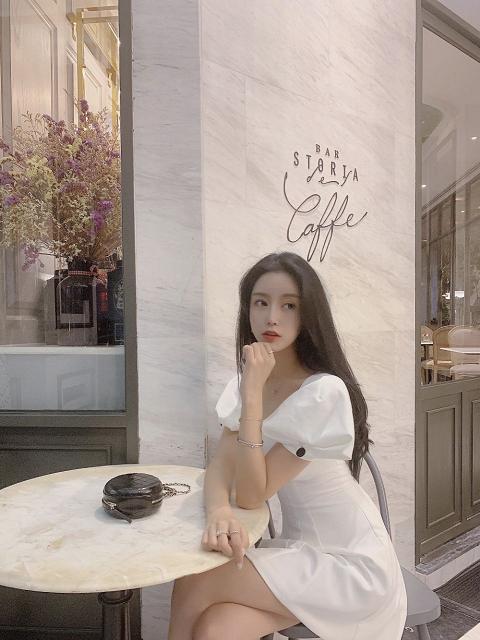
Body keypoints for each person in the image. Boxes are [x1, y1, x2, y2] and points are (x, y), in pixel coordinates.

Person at [168, 251, 407, 640]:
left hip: (352, 566)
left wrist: (253, 397)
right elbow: (221, 467)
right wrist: (218, 511)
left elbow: (251, 494)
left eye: (289, 305)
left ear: (308, 314)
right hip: (297, 551)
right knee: (215, 628)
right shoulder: (246, 381)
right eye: (261, 303)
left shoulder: (322, 392)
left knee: (196, 579)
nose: (272, 318)